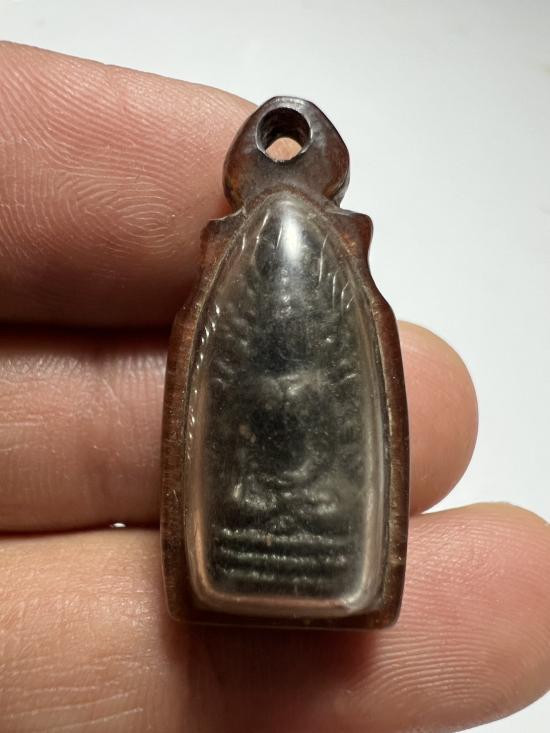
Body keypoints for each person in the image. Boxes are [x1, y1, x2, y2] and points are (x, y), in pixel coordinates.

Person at [0, 41, 548, 733]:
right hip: (246, 522)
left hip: (317, 528)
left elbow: (332, 452)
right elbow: (234, 452)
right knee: (239, 501)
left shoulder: (327, 350)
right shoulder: (245, 343)